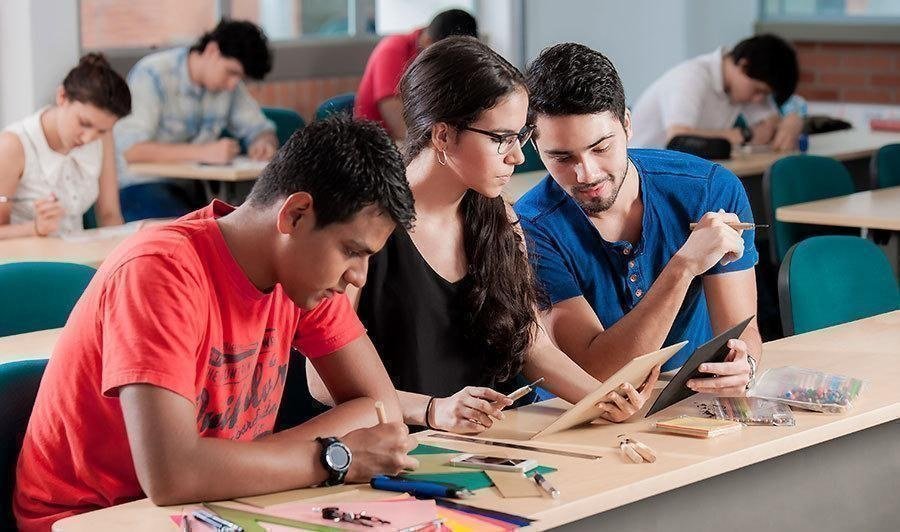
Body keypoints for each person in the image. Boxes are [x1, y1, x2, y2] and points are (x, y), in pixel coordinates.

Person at [14, 116, 420, 531]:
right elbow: (172, 476)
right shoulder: (161, 271)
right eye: (352, 251)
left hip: (211, 506)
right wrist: (332, 457)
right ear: (296, 216)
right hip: (90, 519)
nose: (359, 276)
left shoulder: (304, 279)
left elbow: (381, 412)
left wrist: (250, 462)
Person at [309, 37, 658, 435]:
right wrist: (431, 410)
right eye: (501, 139)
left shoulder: (499, 216)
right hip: (398, 449)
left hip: (492, 444)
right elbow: (322, 382)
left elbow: (531, 343)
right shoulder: (363, 226)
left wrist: (602, 398)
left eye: (520, 136)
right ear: (442, 136)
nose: (518, 156)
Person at [515, 43, 762, 396]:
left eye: (601, 148)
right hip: (576, 412)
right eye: (561, 156)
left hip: (686, 397)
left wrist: (745, 363)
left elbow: (740, 333)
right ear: (536, 149)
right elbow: (597, 375)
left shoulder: (710, 189)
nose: (586, 173)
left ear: (628, 124)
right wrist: (683, 267)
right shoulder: (531, 226)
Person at [115, 19, 280, 221]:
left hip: (192, 188)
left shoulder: (229, 87)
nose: (232, 85)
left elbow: (260, 128)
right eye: (232, 72)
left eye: (240, 78)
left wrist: (263, 142)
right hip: (142, 187)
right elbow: (131, 150)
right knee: (192, 233)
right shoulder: (153, 74)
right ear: (212, 50)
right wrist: (205, 152)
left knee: (240, 226)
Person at [0, 53, 130, 239]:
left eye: (102, 130)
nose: (88, 138)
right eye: (84, 123)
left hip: (78, 258)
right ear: (62, 96)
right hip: (26, 263)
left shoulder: (101, 138)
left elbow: (109, 215)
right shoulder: (13, 146)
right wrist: (35, 228)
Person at [630, 34, 801, 151]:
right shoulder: (690, 77)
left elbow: (771, 124)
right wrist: (744, 135)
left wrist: (792, 121)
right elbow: (678, 138)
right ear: (744, 64)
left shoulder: (742, 86)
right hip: (643, 178)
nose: (758, 99)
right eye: (758, 91)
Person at [354, 9, 477, 142]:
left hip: (419, 136)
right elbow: (396, 120)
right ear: (428, 40)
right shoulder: (392, 49)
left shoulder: (447, 56)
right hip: (379, 143)